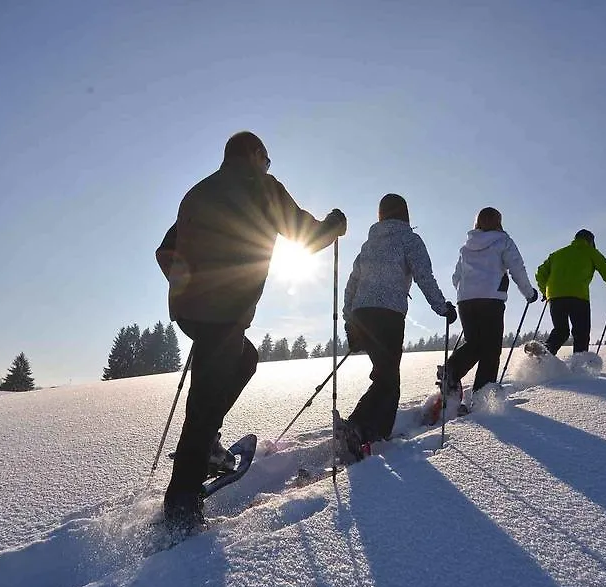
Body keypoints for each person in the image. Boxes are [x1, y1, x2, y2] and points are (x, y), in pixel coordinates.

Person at [155, 131, 347, 533]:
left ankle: (205, 448)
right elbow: (306, 235)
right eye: (267, 160)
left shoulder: (197, 192)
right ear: (256, 155)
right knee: (204, 401)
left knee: (244, 359)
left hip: (193, 310)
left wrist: (187, 285)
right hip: (223, 310)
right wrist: (335, 224)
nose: (268, 166)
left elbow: (164, 250)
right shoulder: (260, 184)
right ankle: (181, 509)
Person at [337, 194, 456, 461]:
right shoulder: (409, 240)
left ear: (380, 215)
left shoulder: (368, 245)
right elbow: (424, 275)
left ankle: (371, 432)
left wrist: (350, 322)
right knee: (388, 379)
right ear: (405, 214)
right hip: (387, 315)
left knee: (386, 375)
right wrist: (443, 308)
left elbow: (352, 284)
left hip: (362, 314)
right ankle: (359, 429)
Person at [443, 207, 537, 399]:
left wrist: (467, 290)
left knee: (474, 343)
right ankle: (482, 396)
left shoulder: (466, 247)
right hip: (491, 301)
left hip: (466, 302)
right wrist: (529, 293)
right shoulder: (503, 241)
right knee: (491, 349)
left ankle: (451, 371)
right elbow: (517, 268)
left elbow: (456, 277)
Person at [535, 228, 606, 355]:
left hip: (555, 297)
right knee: (581, 333)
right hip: (578, 297)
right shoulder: (591, 252)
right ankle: (579, 367)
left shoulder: (557, 254)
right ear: (590, 241)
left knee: (561, 331)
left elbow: (540, 273)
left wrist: (545, 292)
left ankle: (543, 355)